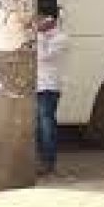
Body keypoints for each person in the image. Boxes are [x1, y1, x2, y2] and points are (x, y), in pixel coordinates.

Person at [36, 10, 67, 175]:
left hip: (48, 87)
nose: (38, 22)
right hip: (36, 87)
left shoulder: (60, 38)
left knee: (46, 125)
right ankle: (40, 159)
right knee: (38, 125)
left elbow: (43, 57)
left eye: (41, 19)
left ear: (51, 20)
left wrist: (39, 35)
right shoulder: (40, 36)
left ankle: (49, 162)